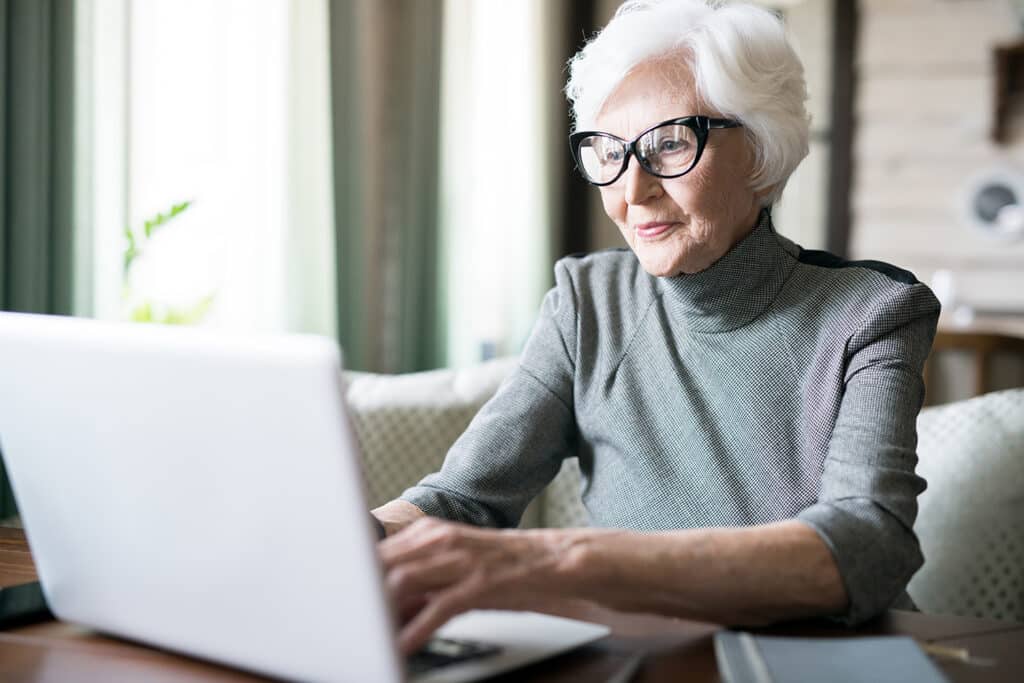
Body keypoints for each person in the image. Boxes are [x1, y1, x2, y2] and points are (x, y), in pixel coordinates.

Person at [373, 0, 940, 655]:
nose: (631, 189)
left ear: (760, 150)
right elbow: (463, 498)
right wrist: (349, 538)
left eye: (670, 143)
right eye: (609, 151)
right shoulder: (588, 303)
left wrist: (560, 562)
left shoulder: (872, 312)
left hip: (826, 661)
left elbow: (868, 541)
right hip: (654, 659)